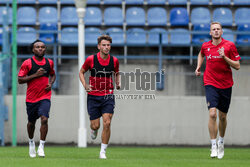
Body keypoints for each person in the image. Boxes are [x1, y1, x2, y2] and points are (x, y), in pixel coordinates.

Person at [195, 22, 240, 159]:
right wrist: (198, 67)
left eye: (218, 29)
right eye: (213, 29)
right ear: (210, 32)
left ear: (221, 32)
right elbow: (201, 54)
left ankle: (221, 141)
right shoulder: (205, 46)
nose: (216, 31)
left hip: (226, 85)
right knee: (213, 114)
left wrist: (224, 57)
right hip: (210, 82)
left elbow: (237, 66)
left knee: (223, 116)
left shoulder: (229, 46)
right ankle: (213, 145)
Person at [79, 35, 120, 159]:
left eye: (108, 45)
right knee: (95, 125)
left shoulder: (114, 61)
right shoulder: (91, 59)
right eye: (104, 45)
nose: (106, 47)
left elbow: (116, 73)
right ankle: (94, 129)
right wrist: (85, 85)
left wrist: (117, 82)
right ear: (99, 46)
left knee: (107, 123)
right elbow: (81, 72)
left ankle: (103, 151)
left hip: (108, 95)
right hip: (93, 96)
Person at [18, 40, 56, 158]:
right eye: (38, 47)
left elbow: (53, 74)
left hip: (44, 96)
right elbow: (20, 80)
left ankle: (41, 147)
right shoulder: (27, 63)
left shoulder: (49, 62)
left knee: (44, 119)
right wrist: (35, 75)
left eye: (43, 47)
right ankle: (31, 142)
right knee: (31, 123)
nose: (40, 49)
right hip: (31, 98)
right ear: (33, 49)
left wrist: (51, 83)